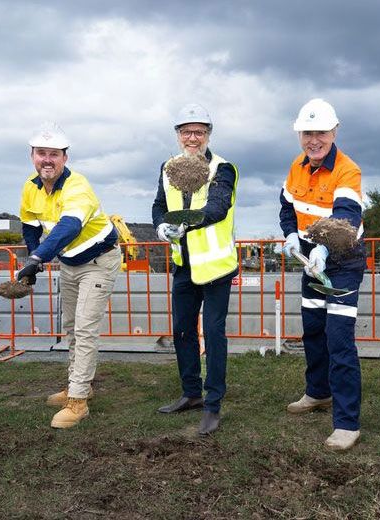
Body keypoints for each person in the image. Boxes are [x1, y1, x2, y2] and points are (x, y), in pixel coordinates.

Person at [18, 123, 121, 429]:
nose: (46, 160)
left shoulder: (78, 185)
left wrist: (37, 258)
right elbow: (30, 226)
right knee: (72, 327)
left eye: (53, 154)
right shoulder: (30, 187)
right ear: (32, 156)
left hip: (99, 260)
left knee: (86, 328)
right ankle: (80, 385)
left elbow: (69, 227)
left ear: (64, 157)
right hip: (69, 263)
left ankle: (78, 402)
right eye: (41, 154)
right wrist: (35, 258)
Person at [279, 98, 366, 451]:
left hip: (343, 262)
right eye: (307, 132)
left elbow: (346, 215)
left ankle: (347, 423)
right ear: (300, 134)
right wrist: (289, 234)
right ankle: (318, 392)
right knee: (313, 330)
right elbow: (287, 206)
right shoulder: (296, 167)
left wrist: (325, 248)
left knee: (339, 338)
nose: (314, 139)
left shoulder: (348, 170)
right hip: (310, 262)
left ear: (334, 132)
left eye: (321, 132)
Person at [152, 103, 239, 435]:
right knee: (182, 332)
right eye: (186, 131)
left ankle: (213, 404)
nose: (192, 137)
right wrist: (162, 227)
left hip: (216, 267)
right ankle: (191, 393)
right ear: (178, 135)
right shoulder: (167, 167)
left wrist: (181, 225)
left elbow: (217, 208)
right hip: (183, 265)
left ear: (208, 135)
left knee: (214, 335)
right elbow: (160, 205)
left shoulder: (222, 168)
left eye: (199, 131)